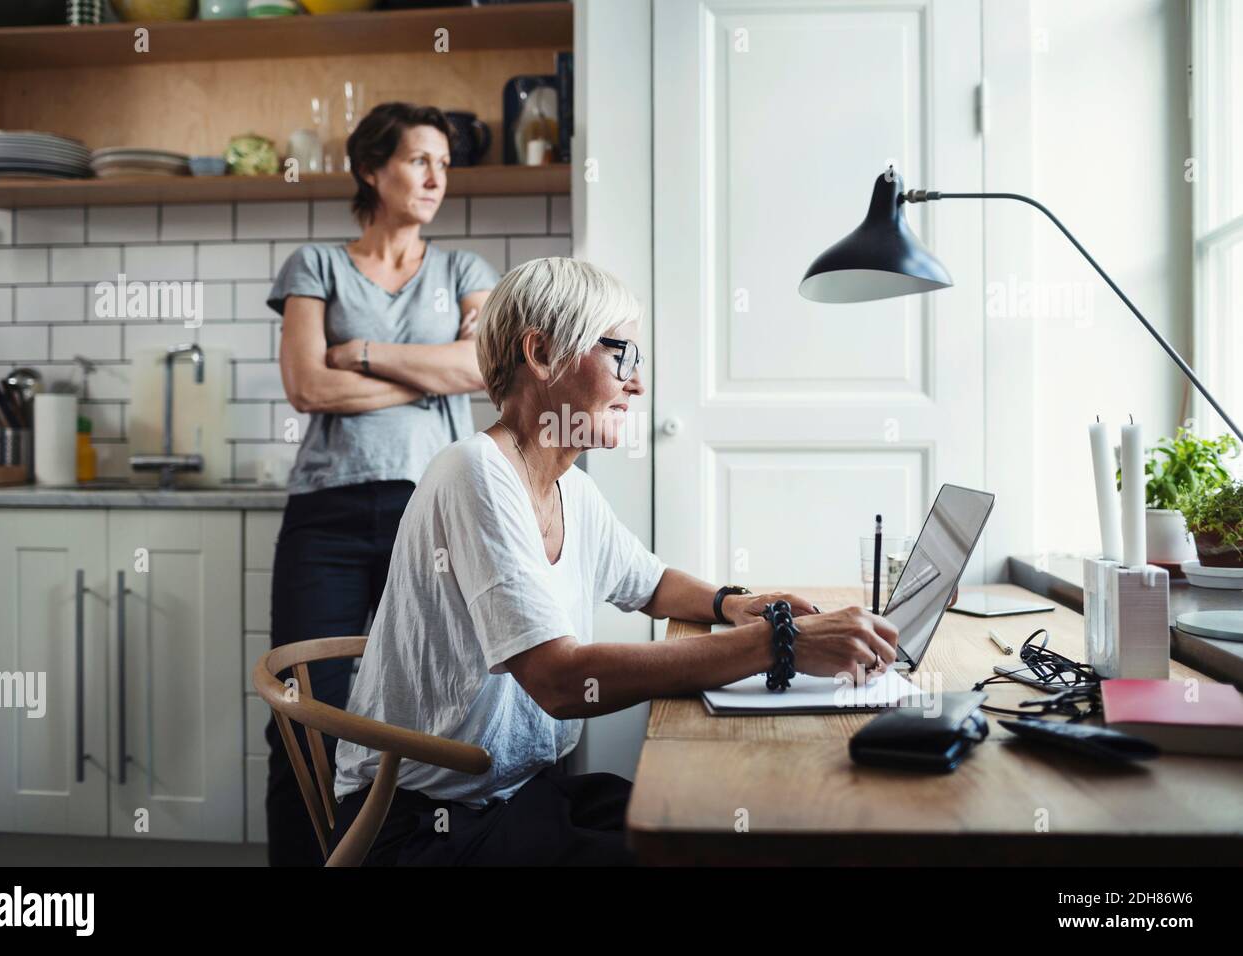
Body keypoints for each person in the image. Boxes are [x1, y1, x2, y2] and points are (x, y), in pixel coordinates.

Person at [328, 257, 900, 865]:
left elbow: (649, 582)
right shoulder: (475, 472)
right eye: (621, 356)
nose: (638, 385)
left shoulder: (570, 487)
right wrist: (778, 643)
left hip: (516, 796)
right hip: (419, 822)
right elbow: (560, 680)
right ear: (542, 353)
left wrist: (733, 604)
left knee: (712, 828)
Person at [264, 102, 499, 866]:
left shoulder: (465, 270)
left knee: (435, 705)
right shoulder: (316, 265)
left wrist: (359, 351)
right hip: (326, 513)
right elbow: (306, 386)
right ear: (372, 169)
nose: (436, 177)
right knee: (305, 706)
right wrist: (430, 376)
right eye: (418, 160)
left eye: (444, 164)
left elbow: (482, 369)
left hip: (432, 510)